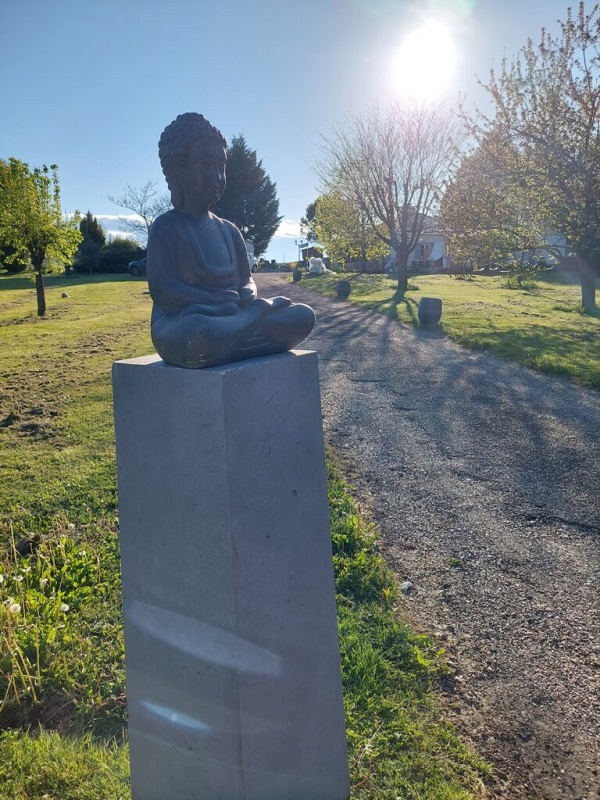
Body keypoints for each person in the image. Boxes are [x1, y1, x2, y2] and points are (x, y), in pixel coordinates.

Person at [147, 113, 315, 369]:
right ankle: (246, 333)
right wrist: (207, 300)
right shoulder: (166, 228)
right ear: (175, 169)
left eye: (221, 167)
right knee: (197, 333)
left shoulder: (228, 230)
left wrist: (248, 292)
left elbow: (245, 278)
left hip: (234, 314)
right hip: (187, 320)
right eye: (205, 165)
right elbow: (162, 290)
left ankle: (236, 339)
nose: (216, 176)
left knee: (302, 316)